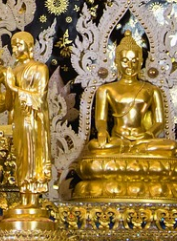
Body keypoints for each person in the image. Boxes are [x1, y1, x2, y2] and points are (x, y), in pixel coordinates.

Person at [73, 32, 177, 201]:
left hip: (143, 141)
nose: (130, 65)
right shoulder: (106, 90)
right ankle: (128, 152)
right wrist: (101, 132)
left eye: (135, 60)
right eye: (125, 60)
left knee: (171, 147)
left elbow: (159, 121)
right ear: (116, 62)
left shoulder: (151, 90)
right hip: (117, 141)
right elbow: (101, 120)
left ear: (142, 61)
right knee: (94, 151)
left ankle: (134, 150)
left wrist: (147, 135)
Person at [4, 31, 51, 205]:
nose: (15, 49)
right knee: (21, 157)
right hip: (18, 120)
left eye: (19, 45)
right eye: (13, 46)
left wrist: (14, 87)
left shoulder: (39, 68)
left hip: (33, 120)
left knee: (33, 157)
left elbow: (39, 97)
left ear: (29, 46)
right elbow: (8, 104)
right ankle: (23, 197)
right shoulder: (14, 70)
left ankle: (33, 199)